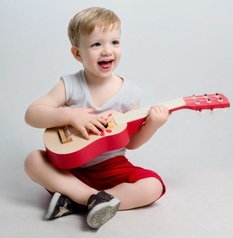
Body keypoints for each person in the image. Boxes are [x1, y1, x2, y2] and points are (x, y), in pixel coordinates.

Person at [24, 6, 169, 229]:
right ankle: (94, 200)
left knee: (153, 186)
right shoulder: (71, 85)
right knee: (33, 160)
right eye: (96, 44)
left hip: (111, 167)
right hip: (70, 169)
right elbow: (32, 114)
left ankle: (76, 200)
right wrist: (70, 114)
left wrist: (153, 124)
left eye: (114, 42)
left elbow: (130, 143)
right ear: (77, 53)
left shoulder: (130, 94)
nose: (106, 51)